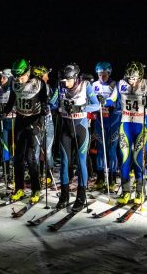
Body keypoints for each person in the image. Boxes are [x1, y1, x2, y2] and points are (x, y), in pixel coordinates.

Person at [56, 63, 100, 211]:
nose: (65, 83)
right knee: (64, 163)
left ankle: (81, 196)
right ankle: (64, 196)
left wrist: (81, 108)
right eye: (64, 80)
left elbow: (97, 105)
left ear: (75, 78)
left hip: (81, 128)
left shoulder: (85, 86)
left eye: (68, 80)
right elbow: (52, 103)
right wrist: (50, 107)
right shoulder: (61, 86)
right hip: (65, 129)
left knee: (81, 163)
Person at [3, 59, 48, 204]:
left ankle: (36, 189)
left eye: (21, 76)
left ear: (28, 73)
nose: (18, 79)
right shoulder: (14, 82)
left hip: (34, 120)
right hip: (20, 120)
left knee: (30, 157)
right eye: (15, 76)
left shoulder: (39, 83)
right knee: (18, 157)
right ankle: (19, 187)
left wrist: (44, 111)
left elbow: (44, 102)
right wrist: (4, 111)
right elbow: (12, 99)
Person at [104, 61, 147, 205]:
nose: (132, 82)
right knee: (125, 159)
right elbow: (112, 99)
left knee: (138, 159)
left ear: (140, 76)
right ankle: (126, 191)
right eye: (129, 78)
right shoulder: (121, 84)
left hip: (140, 126)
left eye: (134, 79)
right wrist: (104, 100)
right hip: (126, 125)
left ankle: (140, 191)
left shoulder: (145, 84)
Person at [91, 62, 121, 191]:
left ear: (109, 73)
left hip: (113, 121)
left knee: (111, 150)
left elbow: (114, 99)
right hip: (99, 121)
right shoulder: (94, 85)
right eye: (99, 74)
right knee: (100, 150)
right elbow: (89, 99)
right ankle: (100, 177)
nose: (101, 77)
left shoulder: (114, 85)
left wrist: (105, 101)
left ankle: (112, 178)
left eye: (104, 74)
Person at [32, 65, 56, 186]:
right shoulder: (32, 87)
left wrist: (50, 105)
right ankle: (35, 175)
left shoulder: (48, 87)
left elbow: (54, 103)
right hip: (36, 122)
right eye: (46, 74)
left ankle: (48, 175)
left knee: (47, 151)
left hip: (48, 122)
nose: (48, 76)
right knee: (35, 150)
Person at [0, 69, 16, 186]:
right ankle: (6, 172)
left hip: (14, 121)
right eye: (1, 77)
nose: (1, 79)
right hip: (4, 123)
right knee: (5, 149)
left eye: (4, 78)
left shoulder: (14, 89)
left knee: (15, 149)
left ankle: (16, 173)